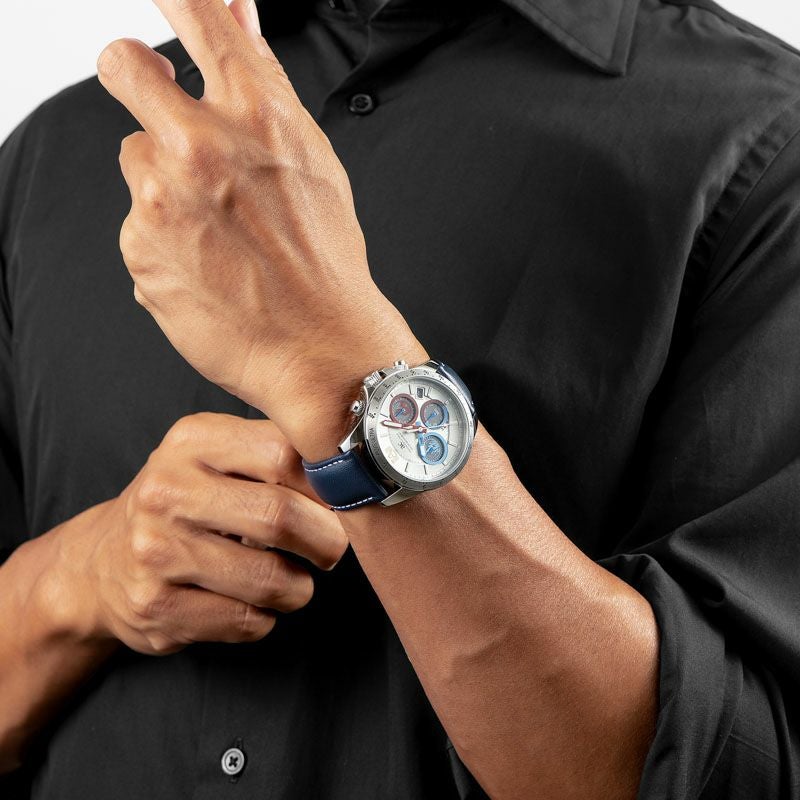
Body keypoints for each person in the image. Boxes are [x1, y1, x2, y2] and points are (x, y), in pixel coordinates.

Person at [1, 0, 799, 796]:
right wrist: (83, 574)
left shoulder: (768, 149)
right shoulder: (56, 151)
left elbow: (742, 770)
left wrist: (334, 357)